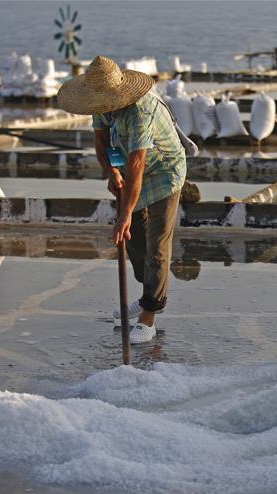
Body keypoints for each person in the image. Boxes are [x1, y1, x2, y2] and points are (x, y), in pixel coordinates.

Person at [58, 56, 186, 343]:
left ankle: (149, 315)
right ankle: (145, 296)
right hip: (132, 167)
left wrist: (125, 213)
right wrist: (110, 171)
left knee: (157, 243)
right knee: (134, 241)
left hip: (164, 170)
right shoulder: (101, 105)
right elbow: (101, 142)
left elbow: (139, 164)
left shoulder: (140, 112)